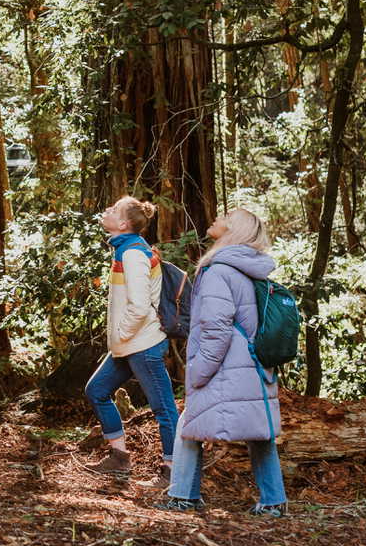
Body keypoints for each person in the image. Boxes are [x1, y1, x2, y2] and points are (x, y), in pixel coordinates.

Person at [156, 207, 288, 515]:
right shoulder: (246, 268)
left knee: (188, 425)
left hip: (226, 368)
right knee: (259, 431)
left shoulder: (218, 271)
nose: (216, 217)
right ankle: (274, 502)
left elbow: (216, 330)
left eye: (225, 216)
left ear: (234, 230)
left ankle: (183, 496)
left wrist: (198, 372)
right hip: (252, 366)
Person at [84, 196, 181, 478]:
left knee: (164, 409)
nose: (107, 210)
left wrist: (121, 334)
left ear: (124, 224)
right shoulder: (124, 249)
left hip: (143, 344)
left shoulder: (133, 254)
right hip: (129, 345)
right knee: (97, 390)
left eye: (113, 210)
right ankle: (119, 457)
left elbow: (139, 307)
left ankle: (174, 472)